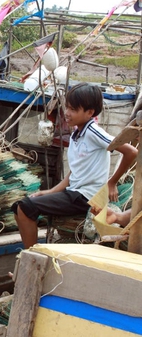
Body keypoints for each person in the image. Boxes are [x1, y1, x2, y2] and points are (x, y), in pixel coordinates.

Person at [12, 82, 137, 249]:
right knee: (18, 207)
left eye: (73, 110)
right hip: (74, 194)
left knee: (25, 207)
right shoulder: (76, 135)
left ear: (89, 112)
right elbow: (73, 174)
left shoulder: (94, 132)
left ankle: (32, 254)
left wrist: (112, 182)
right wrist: (50, 191)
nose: (67, 113)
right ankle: (33, 251)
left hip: (86, 197)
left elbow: (131, 152)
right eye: (67, 108)